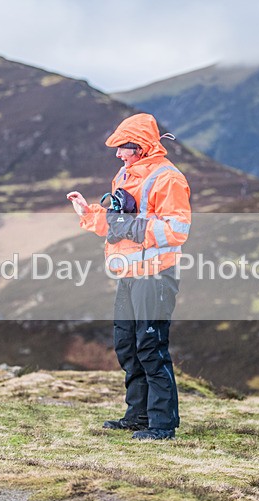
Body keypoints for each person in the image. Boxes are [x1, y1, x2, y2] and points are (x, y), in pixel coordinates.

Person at [67, 113, 191, 440]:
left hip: (156, 276)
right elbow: (114, 224)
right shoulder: (123, 175)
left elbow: (178, 230)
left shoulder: (169, 178)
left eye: (123, 148)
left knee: (151, 347)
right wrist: (88, 214)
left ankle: (162, 425)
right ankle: (136, 417)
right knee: (127, 346)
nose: (118, 154)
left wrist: (133, 227)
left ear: (142, 146)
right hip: (128, 274)